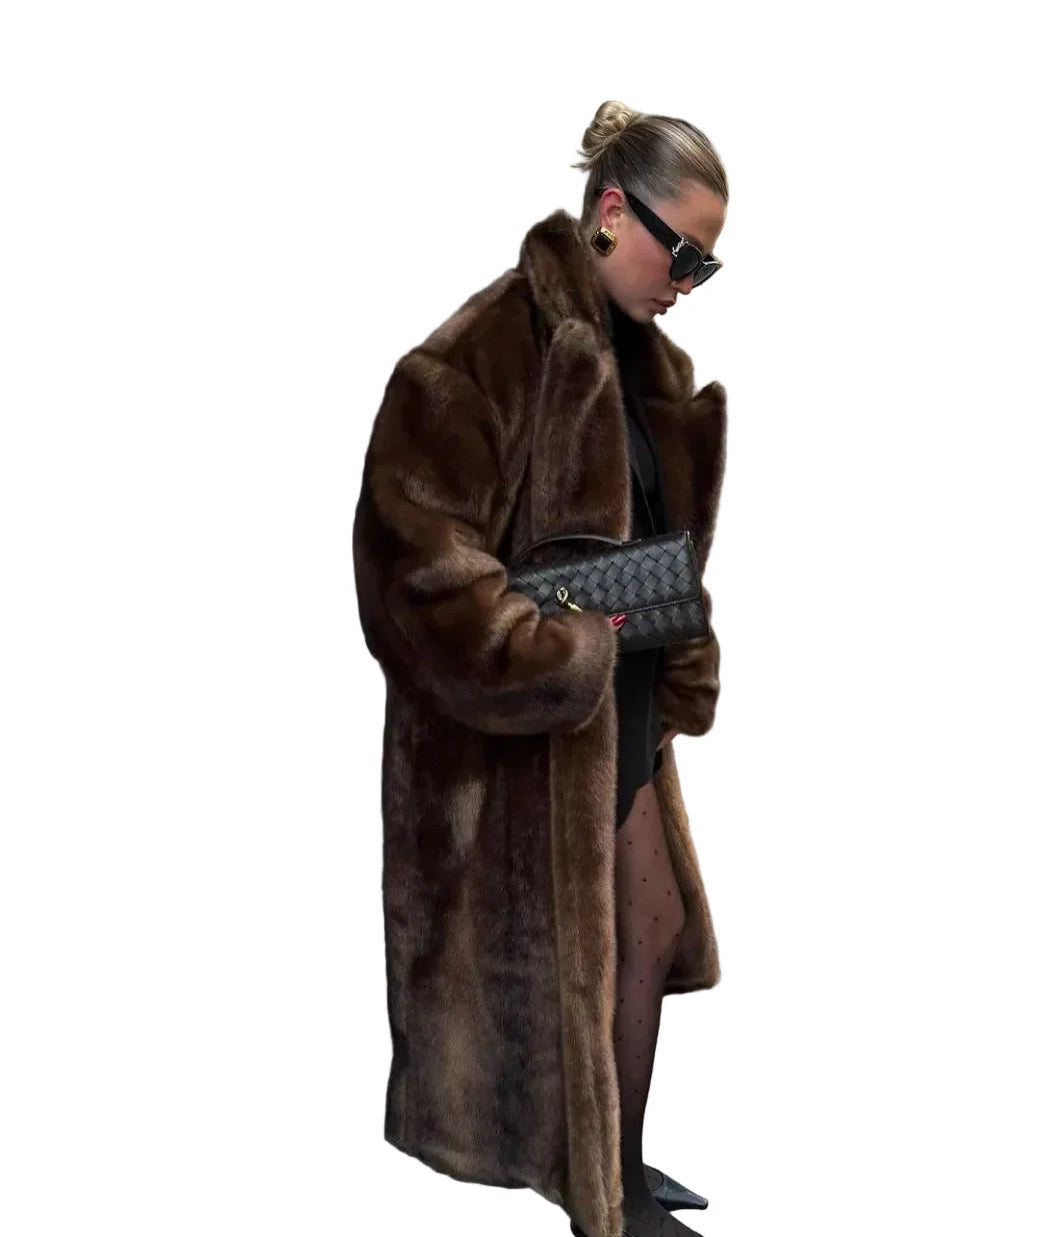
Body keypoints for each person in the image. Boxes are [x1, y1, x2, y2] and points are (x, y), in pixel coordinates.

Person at [352, 99, 728, 1237]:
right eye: (684, 251)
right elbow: (412, 565)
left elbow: (645, 538)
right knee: (585, 956)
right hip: (530, 740)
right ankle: (606, 1202)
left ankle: (619, 1162)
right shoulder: (485, 352)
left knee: (647, 933)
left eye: (709, 264)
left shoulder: (647, 366)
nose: (691, 282)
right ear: (612, 212)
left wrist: (677, 634)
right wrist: (552, 651)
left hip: (622, 714)